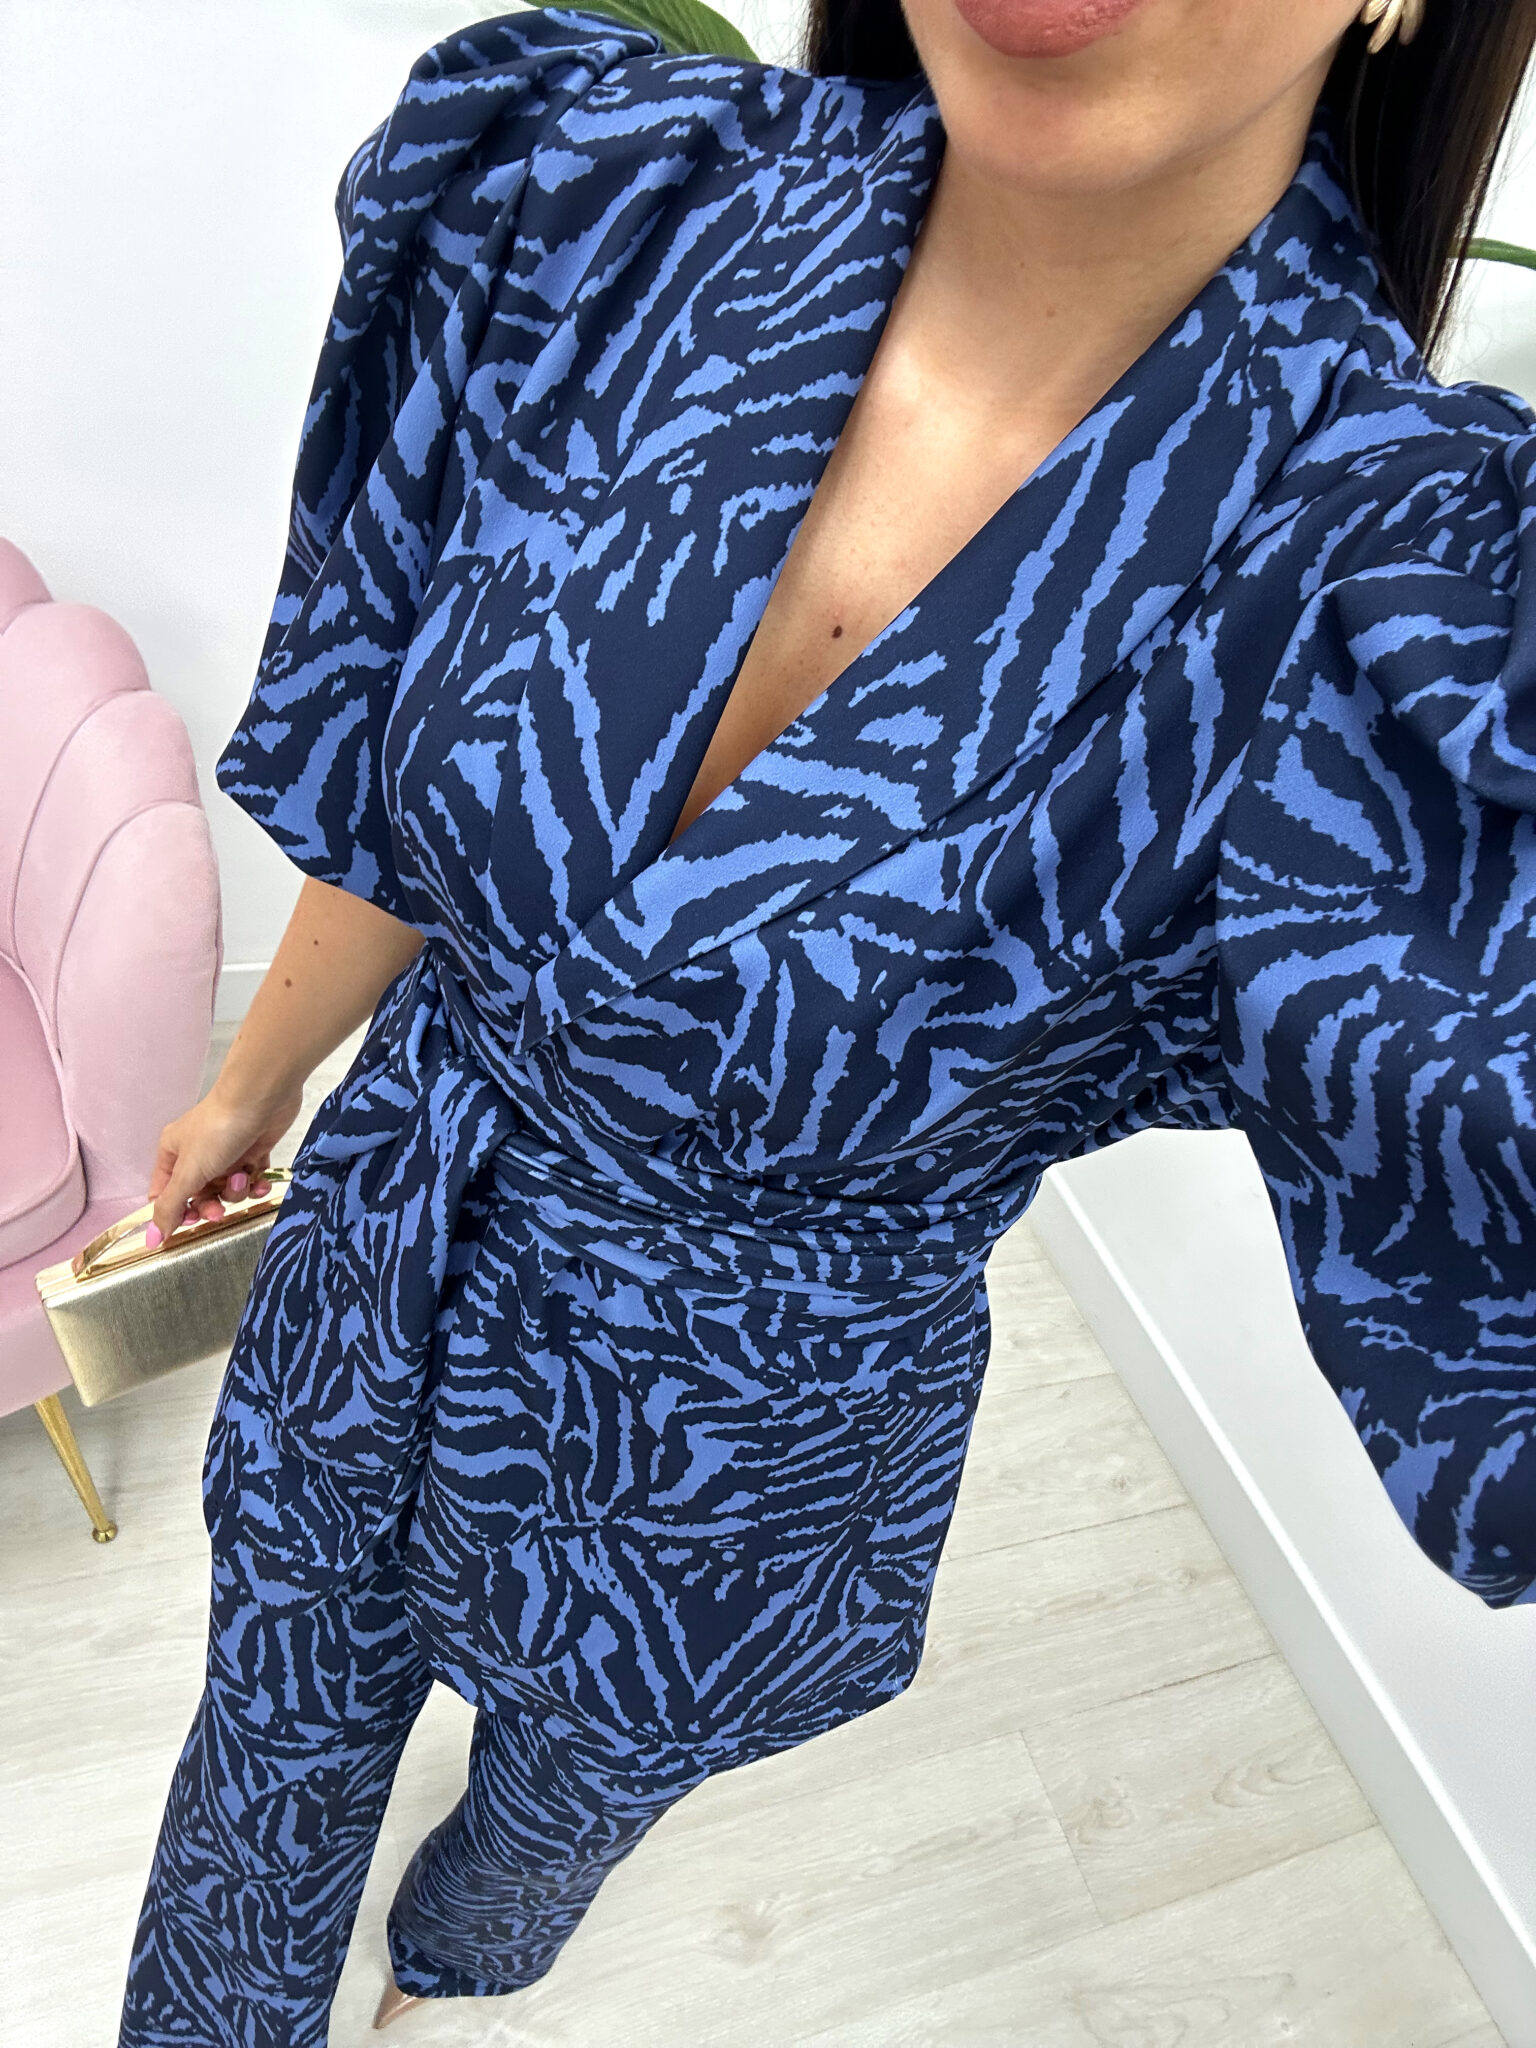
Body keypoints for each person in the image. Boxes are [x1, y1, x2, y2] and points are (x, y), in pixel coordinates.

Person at [118, 0, 1536, 2039]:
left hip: (726, 1464)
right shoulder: (599, 199)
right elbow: (430, 787)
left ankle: (461, 1955)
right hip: (386, 1246)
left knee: (554, 1815)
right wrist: (254, 1077)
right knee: (256, 1773)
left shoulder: (1403, 595)